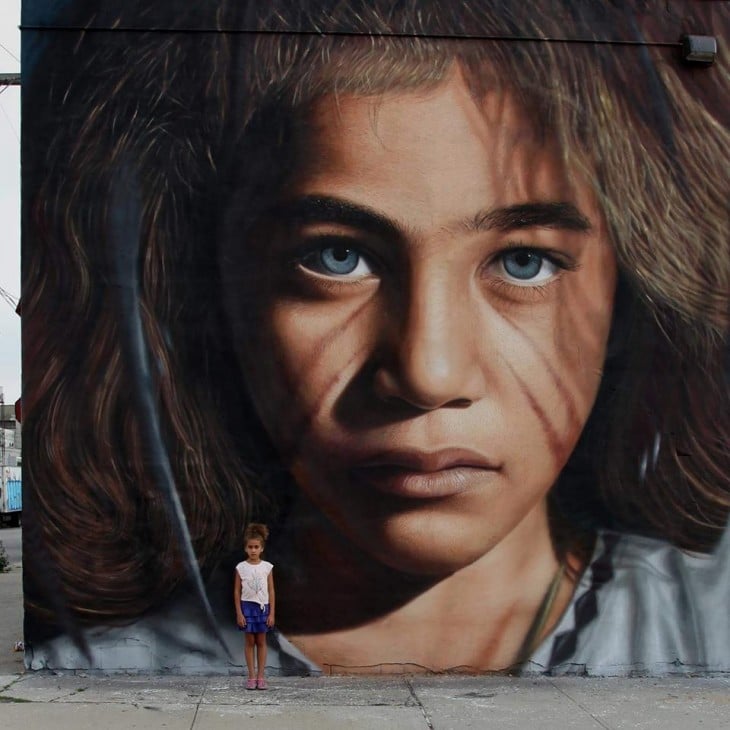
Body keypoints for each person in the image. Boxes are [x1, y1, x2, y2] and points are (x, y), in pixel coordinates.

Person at [21, 0, 729, 675]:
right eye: (336, 257)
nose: (429, 371)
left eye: (524, 261)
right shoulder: (101, 669)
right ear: (210, 286)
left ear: (626, 290)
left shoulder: (712, 621)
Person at [234, 524, 275, 689]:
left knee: (261, 641)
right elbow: (237, 591)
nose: (253, 550)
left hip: (263, 608)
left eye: (256, 547)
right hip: (247, 608)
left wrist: (272, 613)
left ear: (261, 548)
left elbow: (271, 591)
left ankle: (261, 677)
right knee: (250, 641)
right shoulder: (241, 567)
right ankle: (251, 676)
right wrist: (239, 613)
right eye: (250, 547)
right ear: (245, 548)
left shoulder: (267, 567)